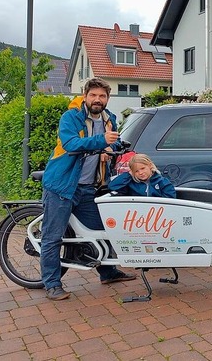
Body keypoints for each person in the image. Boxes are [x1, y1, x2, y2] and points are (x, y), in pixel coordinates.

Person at [41, 78, 137, 300]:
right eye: (93, 95)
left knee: (103, 230)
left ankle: (108, 272)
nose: (97, 99)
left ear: (107, 99)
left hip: (88, 188)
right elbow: (71, 144)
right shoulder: (71, 117)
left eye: (102, 96)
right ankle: (52, 284)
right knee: (53, 237)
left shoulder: (109, 119)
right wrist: (100, 141)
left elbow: (111, 142)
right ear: (85, 96)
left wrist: (113, 148)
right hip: (62, 186)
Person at [109, 153, 176, 198]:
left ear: (150, 165)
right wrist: (128, 174)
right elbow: (112, 186)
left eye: (143, 168)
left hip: (157, 213)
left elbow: (170, 200)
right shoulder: (131, 184)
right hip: (137, 214)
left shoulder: (163, 182)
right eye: (136, 171)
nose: (140, 173)